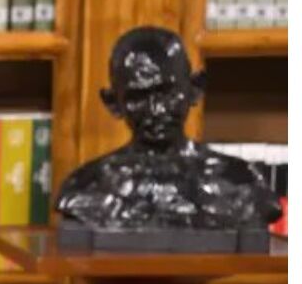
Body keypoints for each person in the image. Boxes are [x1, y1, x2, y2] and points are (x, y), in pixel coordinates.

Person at [57, 25, 282, 229]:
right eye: (139, 97)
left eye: (168, 94)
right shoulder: (86, 186)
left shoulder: (242, 181)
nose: (156, 110)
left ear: (194, 90)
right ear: (113, 103)